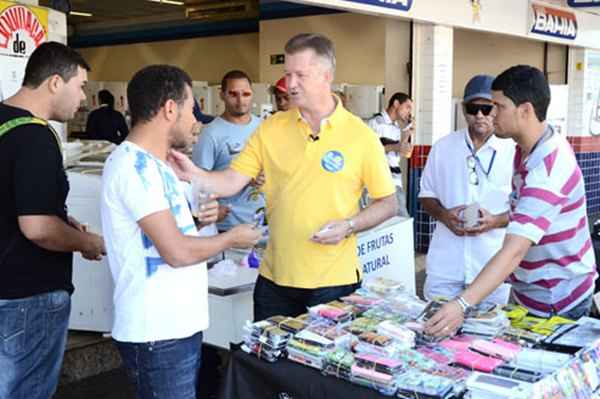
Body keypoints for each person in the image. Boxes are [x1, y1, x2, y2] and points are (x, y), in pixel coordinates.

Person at [168, 33, 397, 321]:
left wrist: (350, 225)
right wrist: (195, 174)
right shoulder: (271, 128)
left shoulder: (360, 136)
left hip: (333, 282)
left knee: (321, 366)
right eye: (287, 74)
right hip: (275, 280)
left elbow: (388, 203)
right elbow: (231, 181)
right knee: (266, 365)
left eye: (300, 75)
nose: (290, 84)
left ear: (326, 76)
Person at [100, 65, 261, 398]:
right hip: (157, 334)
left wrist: (201, 221)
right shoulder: (132, 167)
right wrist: (231, 237)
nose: (197, 120)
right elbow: (175, 251)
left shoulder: (161, 166)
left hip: (175, 327)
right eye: (191, 109)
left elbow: (167, 231)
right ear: (170, 109)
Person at [426, 65, 598, 337]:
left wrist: (461, 304)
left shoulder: (548, 168)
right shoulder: (525, 150)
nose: (491, 114)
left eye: (498, 106)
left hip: (557, 301)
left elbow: (514, 250)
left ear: (525, 110)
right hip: (530, 292)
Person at [0, 42, 105, 399]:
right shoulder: (35, 136)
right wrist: (87, 242)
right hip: (28, 298)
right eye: (81, 86)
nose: (84, 99)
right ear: (55, 82)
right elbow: (38, 227)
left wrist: (63, 220)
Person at [419, 75, 515, 306]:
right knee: (433, 331)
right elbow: (426, 195)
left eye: (486, 107)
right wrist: (444, 216)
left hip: (491, 265)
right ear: (464, 110)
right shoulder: (443, 147)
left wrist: (495, 221)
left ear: (497, 109)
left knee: (487, 336)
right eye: (473, 108)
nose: (480, 115)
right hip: (446, 265)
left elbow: (525, 209)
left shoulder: (513, 151)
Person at [192, 70, 265, 232]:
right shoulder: (210, 133)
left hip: (263, 225)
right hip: (229, 228)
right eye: (233, 94)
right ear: (222, 95)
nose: (240, 101)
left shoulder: (264, 127)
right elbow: (197, 182)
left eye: (245, 94)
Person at [367, 92, 414, 217]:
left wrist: (406, 138)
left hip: (395, 180)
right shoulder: (375, 123)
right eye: (407, 107)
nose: (409, 112)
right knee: (402, 220)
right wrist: (396, 146)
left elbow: (395, 155)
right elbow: (369, 151)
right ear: (396, 104)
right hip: (380, 180)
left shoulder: (397, 128)